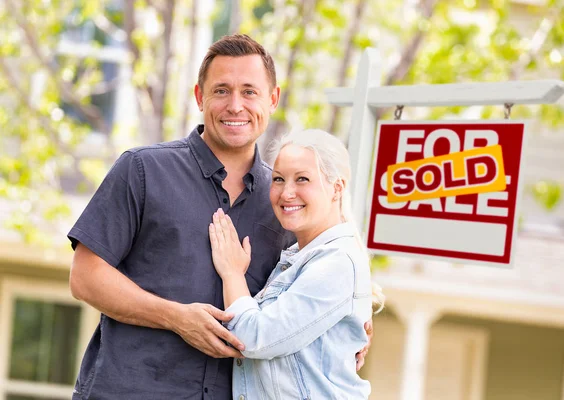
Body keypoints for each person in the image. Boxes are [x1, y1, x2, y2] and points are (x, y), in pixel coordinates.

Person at [68, 34, 372, 400]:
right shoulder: (144, 169)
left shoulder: (283, 203)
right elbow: (85, 277)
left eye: (249, 92)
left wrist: (350, 329)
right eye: (221, 91)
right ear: (200, 97)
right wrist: (176, 318)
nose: (235, 106)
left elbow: (311, 295)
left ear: (272, 99)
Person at [208, 128, 384, 399]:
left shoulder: (337, 262)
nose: (286, 193)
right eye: (278, 179)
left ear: (336, 188)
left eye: (302, 179)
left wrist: (232, 274)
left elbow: (255, 338)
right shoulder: (297, 256)